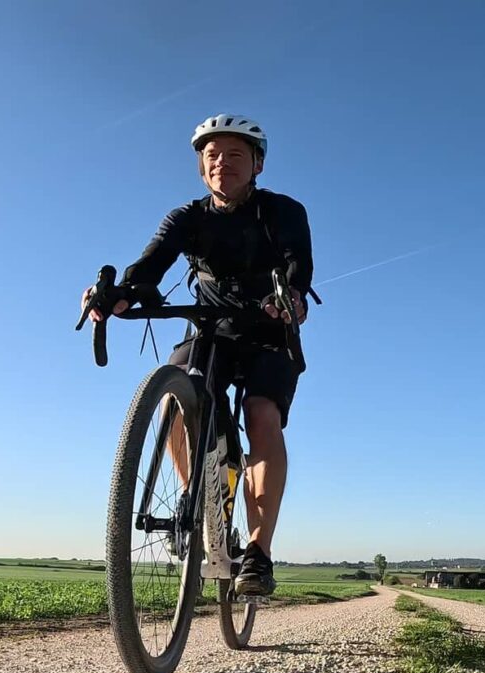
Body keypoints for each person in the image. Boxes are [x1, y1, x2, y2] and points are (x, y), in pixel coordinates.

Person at [84, 114, 313, 596]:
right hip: (209, 328)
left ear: (257, 164)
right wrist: (120, 294)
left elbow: (297, 268)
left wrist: (290, 297)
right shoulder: (186, 218)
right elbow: (151, 263)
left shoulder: (284, 212)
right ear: (201, 167)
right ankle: (202, 497)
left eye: (235, 155)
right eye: (212, 155)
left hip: (267, 329)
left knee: (261, 414)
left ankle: (257, 551)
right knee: (172, 392)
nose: (222, 163)